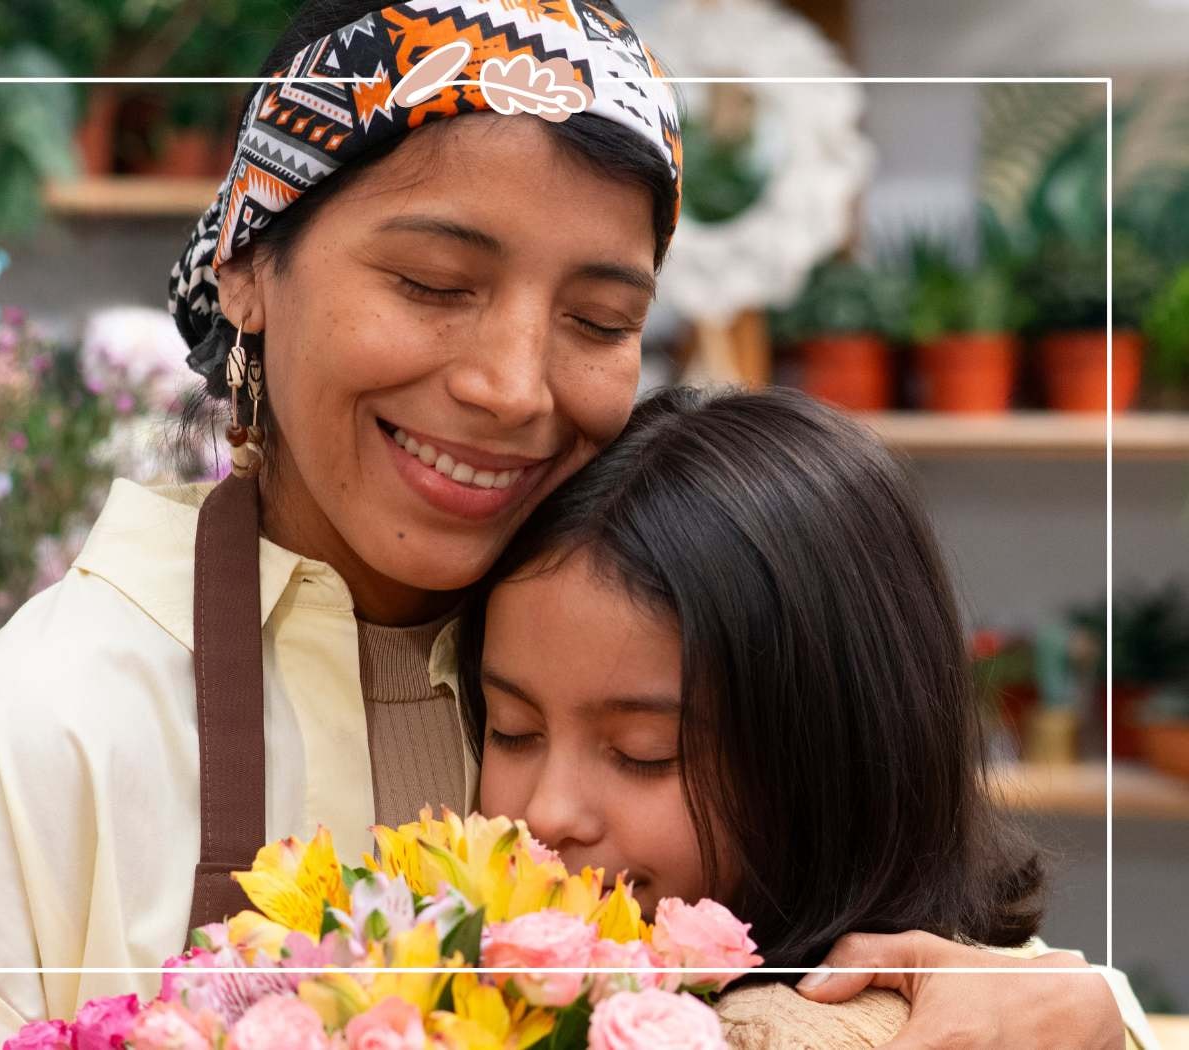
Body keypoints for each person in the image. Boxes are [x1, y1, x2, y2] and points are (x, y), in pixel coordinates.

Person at [0, 0, 1148, 1045]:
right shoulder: (19, 757)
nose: (510, 383)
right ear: (253, 266)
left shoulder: (640, 641)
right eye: (436, 282)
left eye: (601, 320)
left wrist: (1095, 1017)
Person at [458, 385, 1154, 1049]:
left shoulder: (981, 1020)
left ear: (836, 753)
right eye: (513, 730)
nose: (545, 815)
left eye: (645, 752)